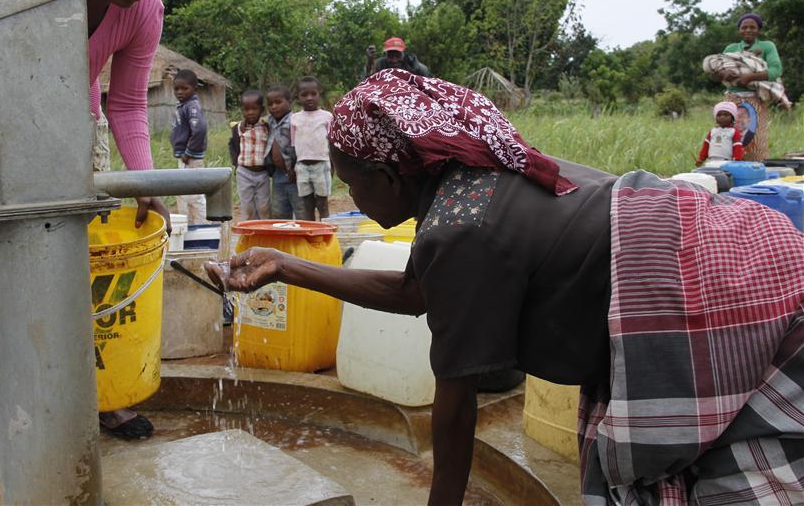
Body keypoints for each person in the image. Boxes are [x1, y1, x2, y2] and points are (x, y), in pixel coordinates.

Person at [209, 69, 804, 505]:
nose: (352, 201)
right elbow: (419, 294)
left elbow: (455, 404)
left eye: (353, 185)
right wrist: (286, 267)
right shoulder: (476, 176)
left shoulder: (458, 229)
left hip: (711, 286)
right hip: (751, 250)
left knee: (741, 484)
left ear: (390, 177)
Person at [0, 0, 174, 462]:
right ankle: (18, 407)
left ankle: (103, 395)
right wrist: (0, 183)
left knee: (85, 264)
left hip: (74, 122)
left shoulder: (144, 10)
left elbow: (127, 102)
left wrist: (142, 179)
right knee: (4, 269)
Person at [703, 12, 792, 109]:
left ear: (759, 30)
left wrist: (749, 77)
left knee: (756, 124)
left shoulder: (767, 46)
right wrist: (723, 74)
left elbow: (776, 70)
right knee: (731, 123)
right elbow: (714, 74)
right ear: (739, 30)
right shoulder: (731, 48)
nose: (748, 30)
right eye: (744, 27)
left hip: (758, 98)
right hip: (732, 98)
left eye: (752, 27)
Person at [290, 76, 333, 220]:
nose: (309, 98)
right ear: (298, 97)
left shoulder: (327, 117)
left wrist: (332, 166)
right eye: (304, 95)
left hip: (321, 164)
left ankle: (325, 233)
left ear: (319, 94)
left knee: (322, 203)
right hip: (302, 167)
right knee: (306, 204)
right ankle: (311, 232)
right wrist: (292, 168)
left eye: (313, 94)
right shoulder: (295, 118)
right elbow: (293, 144)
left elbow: (332, 143)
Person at [170, 69, 208, 224]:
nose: (180, 92)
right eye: (176, 89)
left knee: (194, 194)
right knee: (184, 194)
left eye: (184, 88)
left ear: (194, 89)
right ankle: (186, 226)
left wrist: (189, 152)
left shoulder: (191, 106)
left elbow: (199, 129)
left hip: (190, 158)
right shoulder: (183, 105)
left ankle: (202, 225)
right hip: (184, 157)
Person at [229, 89, 271, 220]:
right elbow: (234, 146)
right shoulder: (238, 128)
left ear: (262, 110)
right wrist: (236, 164)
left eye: (254, 109)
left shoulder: (266, 127)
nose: (250, 112)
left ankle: (263, 232)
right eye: (246, 109)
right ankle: (248, 233)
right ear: (242, 110)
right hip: (244, 173)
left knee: (264, 206)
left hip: (262, 173)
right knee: (247, 206)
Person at [264, 85, 302, 219]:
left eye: (278, 102)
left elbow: (301, 146)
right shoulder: (269, 121)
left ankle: (303, 238)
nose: (274, 106)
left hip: (295, 174)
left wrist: (296, 168)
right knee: (279, 212)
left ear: (289, 101)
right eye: (270, 104)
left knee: (301, 209)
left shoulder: (296, 121)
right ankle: (284, 238)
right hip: (278, 174)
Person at [695, 101, 744, 166]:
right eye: (719, 115)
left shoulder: (734, 132)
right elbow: (706, 146)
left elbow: (737, 147)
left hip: (727, 163)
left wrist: (736, 161)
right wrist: (701, 159)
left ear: (732, 117)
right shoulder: (712, 131)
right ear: (715, 117)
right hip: (711, 162)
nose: (722, 117)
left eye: (726, 115)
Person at [363, 37, 431, 79]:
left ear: (404, 54)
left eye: (398, 56)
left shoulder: (418, 68)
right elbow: (365, 83)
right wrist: (369, 63)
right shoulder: (379, 64)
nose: (394, 60)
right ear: (385, 55)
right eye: (390, 56)